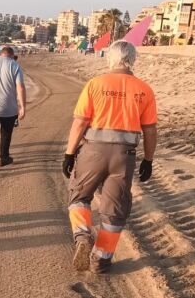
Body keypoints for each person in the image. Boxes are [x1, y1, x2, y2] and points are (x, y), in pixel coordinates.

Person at [61, 41, 157, 274]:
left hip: (93, 152)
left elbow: (80, 122)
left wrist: (69, 153)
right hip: (124, 156)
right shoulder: (144, 89)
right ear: (132, 60)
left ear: (110, 58)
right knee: (115, 208)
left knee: (79, 196)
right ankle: (101, 259)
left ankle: (83, 236)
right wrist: (148, 160)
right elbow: (150, 130)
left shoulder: (95, 84)